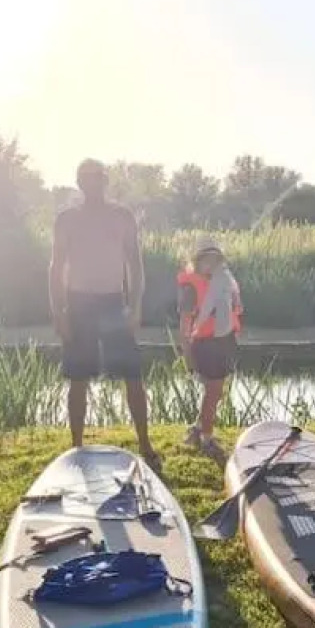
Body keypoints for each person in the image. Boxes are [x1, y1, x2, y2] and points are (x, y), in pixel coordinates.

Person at [49, 158, 162, 471]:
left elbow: (135, 264)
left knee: (132, 374)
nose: (92, 182)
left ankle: (145, 444)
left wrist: (136, 306)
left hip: (114, 302)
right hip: (78, 302)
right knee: (79, 377)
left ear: (105, 180)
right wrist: (58, 311)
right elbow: (56, 267)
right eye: (85, 177)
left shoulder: (121, 216)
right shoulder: (67, 219)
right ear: (79, 182)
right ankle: (76, 447)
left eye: (97, 177)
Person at [177, 237, 242, 462]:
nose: (211, 265)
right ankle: (206, 438)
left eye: (216, 260)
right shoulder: (191, 289)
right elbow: (185, 325)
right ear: (197, 262)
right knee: (213, 392)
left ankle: (197, 429)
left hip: (223, 341)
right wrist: (187, 354)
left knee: (216, 392)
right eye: (207, 260)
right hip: (204, 345)